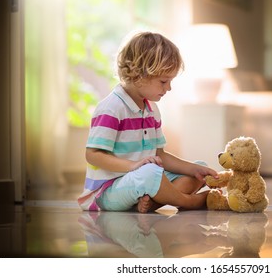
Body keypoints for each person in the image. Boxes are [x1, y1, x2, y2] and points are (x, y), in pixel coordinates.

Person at [77, 31, 218, 213]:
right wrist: (133, 166)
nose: (169, 88)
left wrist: (194, 168)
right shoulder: (111, 108)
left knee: (198, 170)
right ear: (139, 74)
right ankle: (190, 202)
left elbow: (161, 155)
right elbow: (93, 155)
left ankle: (152, 203)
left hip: (140, 180)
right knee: (149, 173)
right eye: (163, 81)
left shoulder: (151, 109)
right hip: (107, 192)